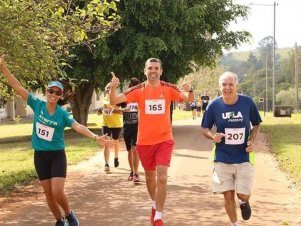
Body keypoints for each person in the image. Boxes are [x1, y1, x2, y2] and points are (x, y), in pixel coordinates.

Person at [0, 55, 110, 226]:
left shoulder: (62, 114)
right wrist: (3, 67)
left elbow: (78, 126)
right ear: (46, 92)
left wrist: (95, 137)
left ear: (60, 97)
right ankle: (59, 221)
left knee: (57, 191)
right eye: (50, 91)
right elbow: (17, 86)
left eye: (57, 92)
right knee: (48, 194)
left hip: (57, 156)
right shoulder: (37, 104)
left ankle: (69, 214)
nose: (53, 94)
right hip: (40, 155)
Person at [109, 58, 194, 226]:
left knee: (162, 177)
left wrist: (190, 90)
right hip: (145, 142)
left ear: (161, 71)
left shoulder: (168, 88)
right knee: (149, 176)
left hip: (164, 139)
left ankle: (158, 216)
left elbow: (189, 99)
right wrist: (113, 87)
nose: (153, 71)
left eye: (156, 68)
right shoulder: (138, 90)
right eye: (150, 68)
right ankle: (154, 205)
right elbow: (114, 101)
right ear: (145, 71)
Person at [201, 71, 262, 226]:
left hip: (243, 157)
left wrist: (252, 141)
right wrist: (212, 136)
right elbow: (205, 128)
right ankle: (234, 224)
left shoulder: (247, 102)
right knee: (227, 195)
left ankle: (244, 202)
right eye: (224, 84)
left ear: (236, 86)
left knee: (243, 194)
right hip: (222, 157)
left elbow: (256, 124)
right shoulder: (214, 105)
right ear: (219, 86)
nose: (227, 88)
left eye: (230, 84)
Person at [120, 77, 141, 182]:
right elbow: (113, 109)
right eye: (133, 87)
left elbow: (146, 112)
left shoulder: (141, 98)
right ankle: (132, 172)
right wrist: (124, 109)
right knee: (129, 152)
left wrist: (140, 110)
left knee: (135, 150)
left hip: (137, 128)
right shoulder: (124, 98)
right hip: (126, 128)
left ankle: (136, 173)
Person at [100, 83, 123, 172]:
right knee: (107, 142)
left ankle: (116, 157)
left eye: (111, 88)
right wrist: (115, 109)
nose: (109, 90)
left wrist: (117, 110)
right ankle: (106, 164)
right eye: (108, 88)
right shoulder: (104, 100)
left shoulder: (118, 100)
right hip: (106, 124)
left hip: (116, 124)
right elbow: (106, 107)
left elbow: (120, 112)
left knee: (116, 142)